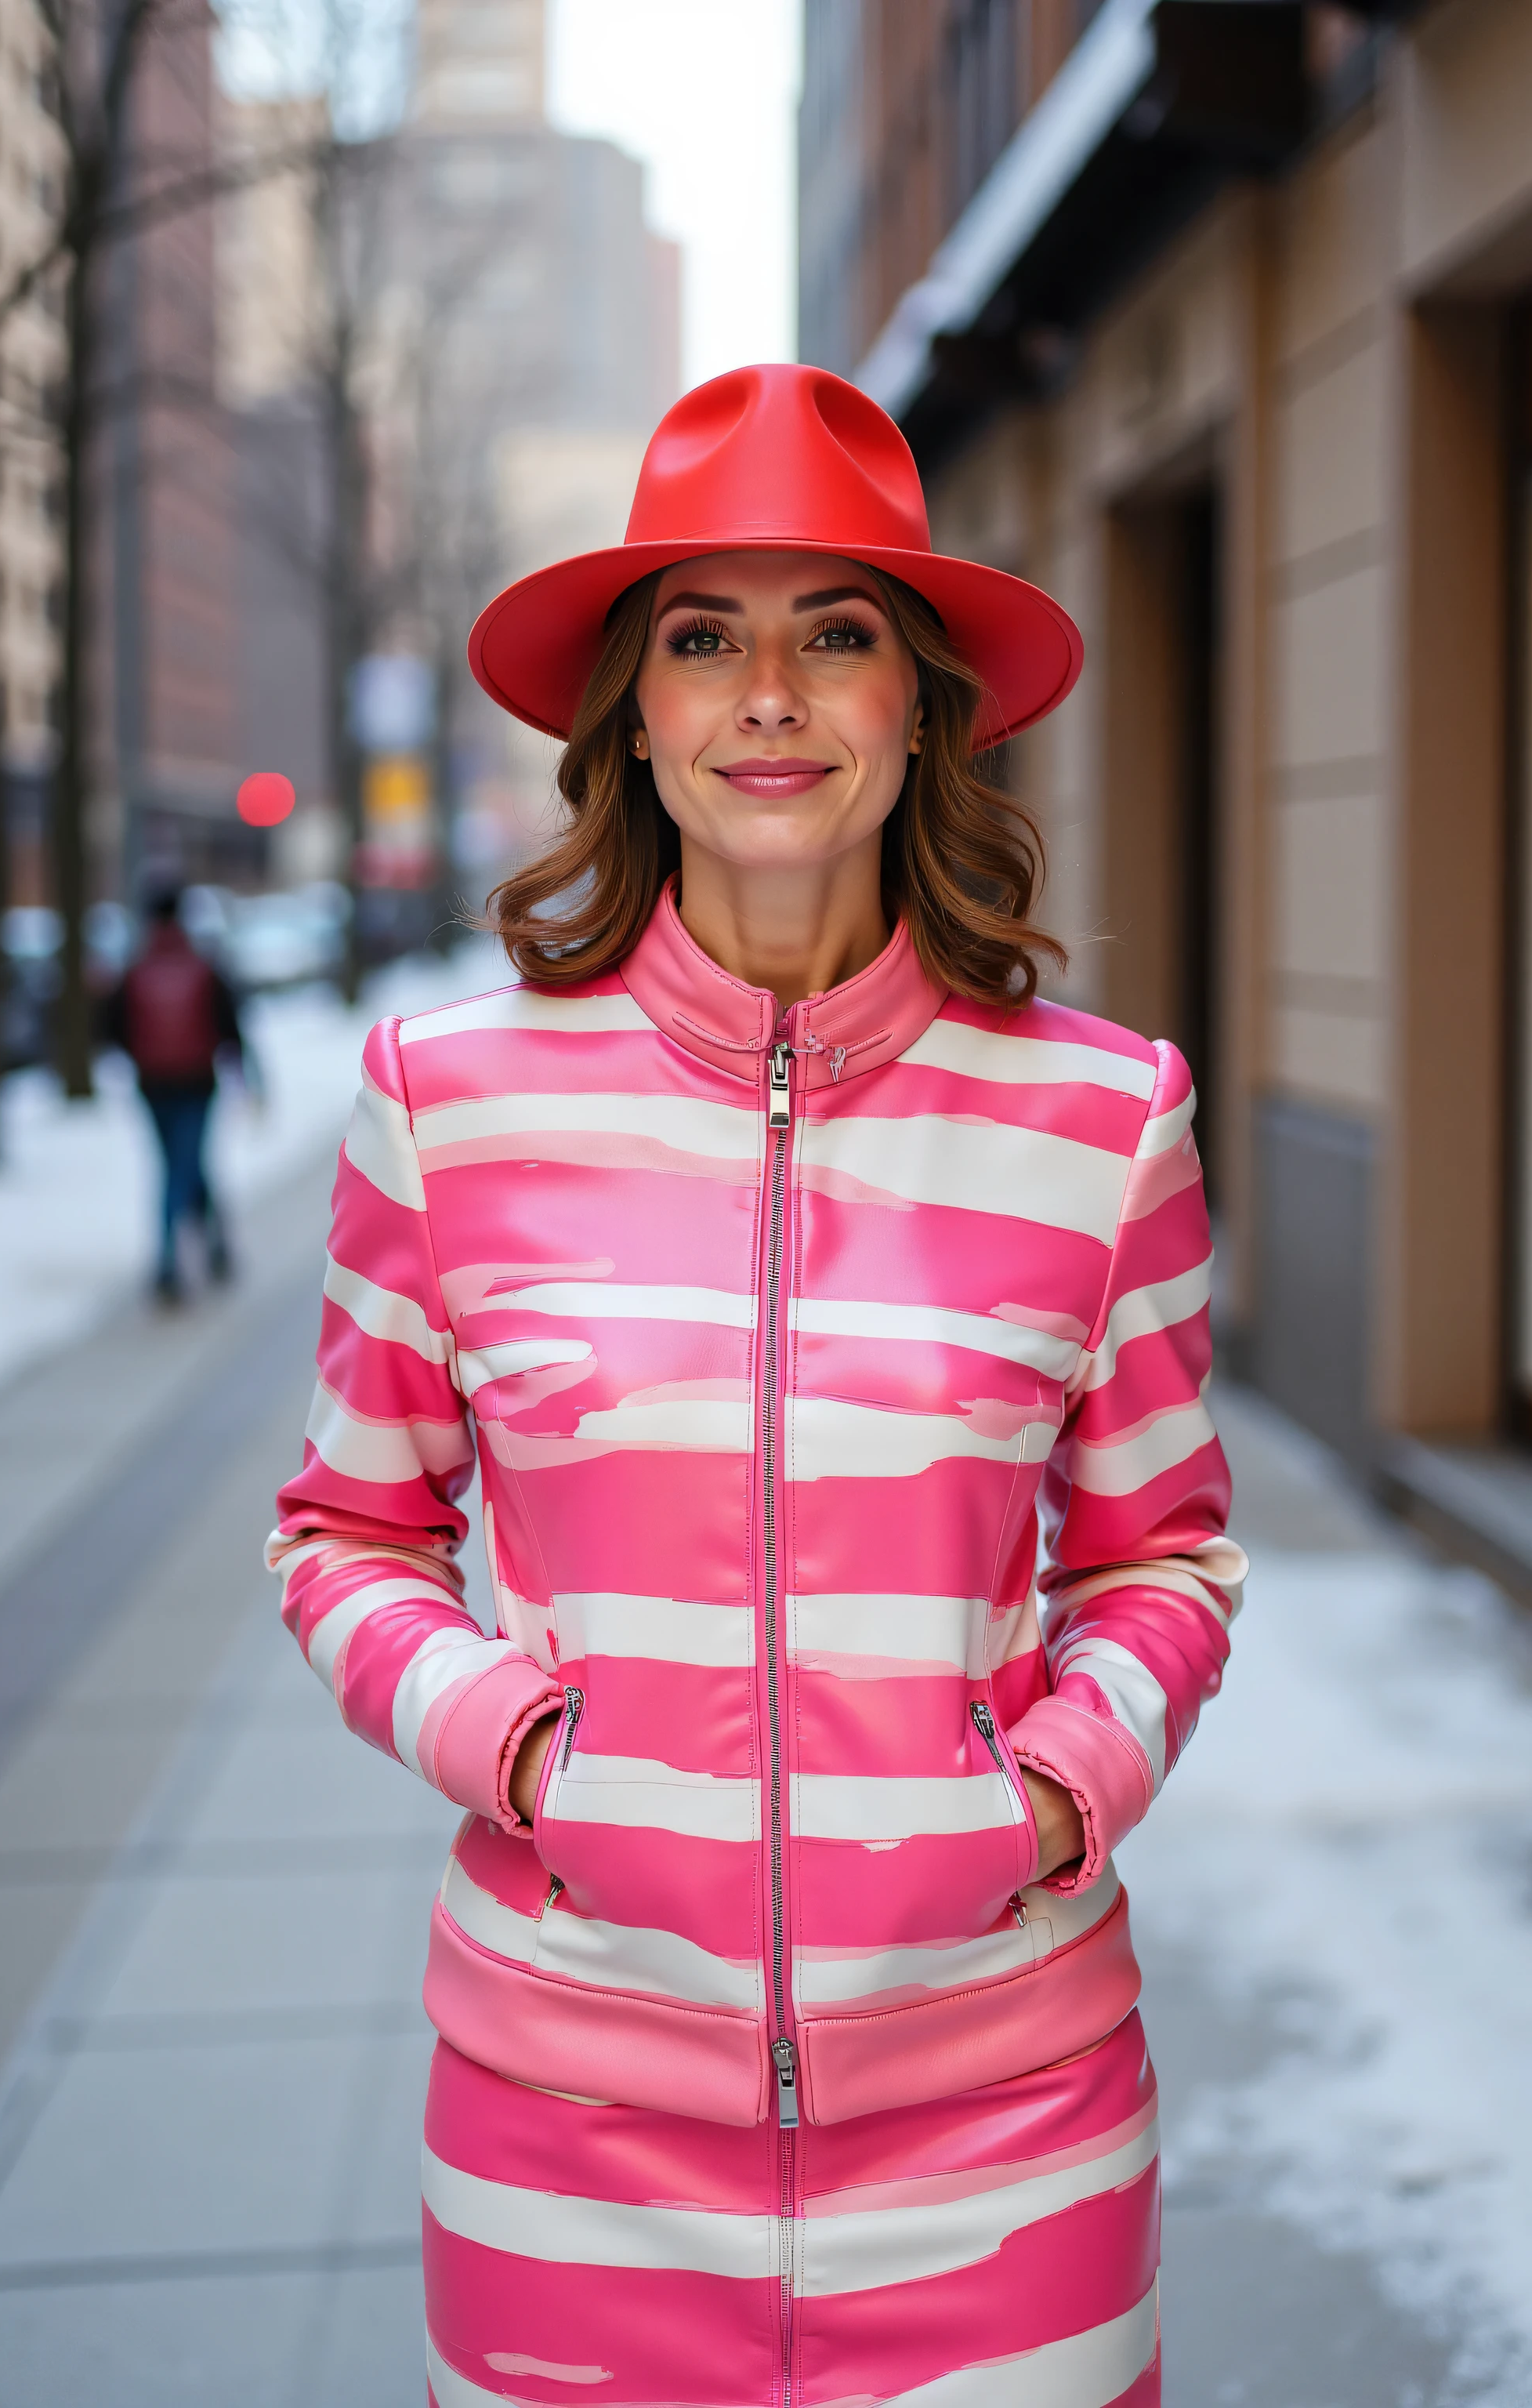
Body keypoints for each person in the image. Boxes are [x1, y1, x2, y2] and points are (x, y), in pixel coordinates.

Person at [269, 364, 1241, 2406]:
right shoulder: (446, 1106)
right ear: (636, 709)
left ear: (922, 703)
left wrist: (1061, 1785)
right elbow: (350, 1533)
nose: (770, 694)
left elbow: (1166, 1557)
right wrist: (523, 1750)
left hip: (1008, 2118)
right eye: (706, 637)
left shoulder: (1101, 1115)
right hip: (566, 2131)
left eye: (838, 634)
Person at [105, 885, 241, 1303]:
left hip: (153, 1086)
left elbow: (113, 1029)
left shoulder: (133, 969)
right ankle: (179, 1256)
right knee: (186, 1166)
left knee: (176, 1167)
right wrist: (245, 1073)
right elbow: (229, 1024)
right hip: (198, 1083)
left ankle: (192, 1251)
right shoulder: (203, 965)